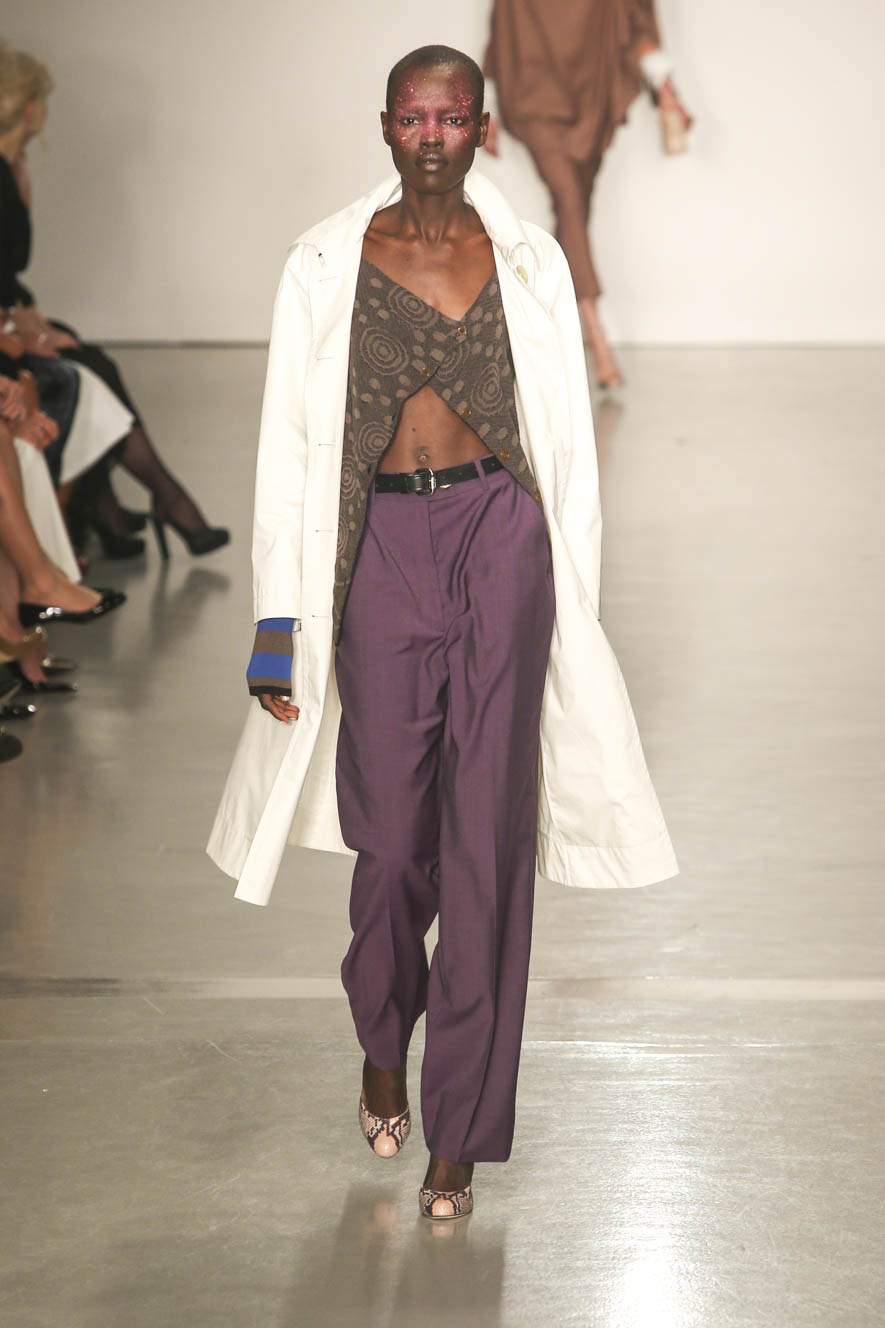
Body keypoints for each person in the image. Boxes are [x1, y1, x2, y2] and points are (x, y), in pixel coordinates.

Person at [208, 46, 677, 1221]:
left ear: (481, 129)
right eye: (413, 118)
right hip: (377, 546)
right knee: (389, 837)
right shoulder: (327, 260)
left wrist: (577, 599)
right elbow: (288, 449)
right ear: (384, 126)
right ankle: (384, 1034)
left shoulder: (526, 260)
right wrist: (275, 621)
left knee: (487, 837)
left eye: (453, 117)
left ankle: (460, 1127)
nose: (431, 137)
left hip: (500, 533)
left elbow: (566, 446)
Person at [0, 42, 229, 561]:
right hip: (4, 328)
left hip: (10, 313)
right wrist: (24, 335)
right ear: (28, 106)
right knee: (85, 368)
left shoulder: (11, 168)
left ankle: (114, 507)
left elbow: (10, 272)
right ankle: (153, 501)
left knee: (88, 358)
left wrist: (33, 324)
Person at [483, 0, 693, 388]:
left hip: (591, 99)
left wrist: (666, 90)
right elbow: (502, 35)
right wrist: (488, 108)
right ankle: (597, 334)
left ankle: (545, 331)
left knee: (574, 212)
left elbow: (634, 23)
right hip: (534, 101)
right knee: (570, 202)